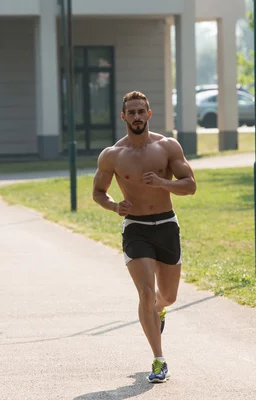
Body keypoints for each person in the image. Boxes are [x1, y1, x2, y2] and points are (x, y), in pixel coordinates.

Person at [92, 91, 197, 383]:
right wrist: (114, 206)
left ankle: (160, 311)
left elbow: (190, 186)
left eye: (141, 111)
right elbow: (98, 192)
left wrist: (164, 182)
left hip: (166, 225)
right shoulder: (112, 155)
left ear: (149, 115)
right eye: (131, 112)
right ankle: (158, 359)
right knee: (145, 293)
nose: (136, 117)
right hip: (135, 227)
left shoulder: (167, 147)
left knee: (168, 296)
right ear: (123, 116)